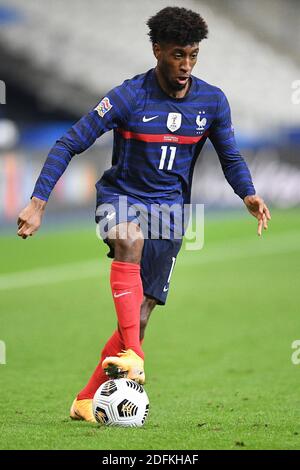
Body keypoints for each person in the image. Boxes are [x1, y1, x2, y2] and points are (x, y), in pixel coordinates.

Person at [17, 7, 271, 423]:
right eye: (177, 55)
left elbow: (230, 154)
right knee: (129, 239)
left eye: (192, 55)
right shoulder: (128, 97)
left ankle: (85, 399)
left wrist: (248, 193)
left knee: (140, 313)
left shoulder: (212, 101)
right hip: (121, 196)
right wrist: (38, 201)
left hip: (170, 211)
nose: (186, 65)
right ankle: (133, 356)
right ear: (157, 50)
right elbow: (67, 143)